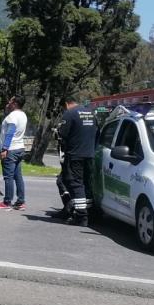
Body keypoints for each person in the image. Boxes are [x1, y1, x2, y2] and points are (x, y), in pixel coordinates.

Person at [57, 96, 98, 226]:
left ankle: (81, 217)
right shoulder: (91, 113)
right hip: (90, 154)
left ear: (66, 104)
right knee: (86, 183)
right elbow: (98, 133)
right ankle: (91, 214)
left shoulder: (70, 114)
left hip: (75, 155)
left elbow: (62, 134)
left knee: (76, 184)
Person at [0, 95, 28, 211]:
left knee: (8, 177)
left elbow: (10, 132)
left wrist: (4, 149)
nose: (8, 102)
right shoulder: (23, 115)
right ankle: (20, 202)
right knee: (18, 176)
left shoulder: (12, 116)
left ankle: (7, 202)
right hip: (20, 148)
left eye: (10, 101)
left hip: (11, 149)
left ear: (15, 103)